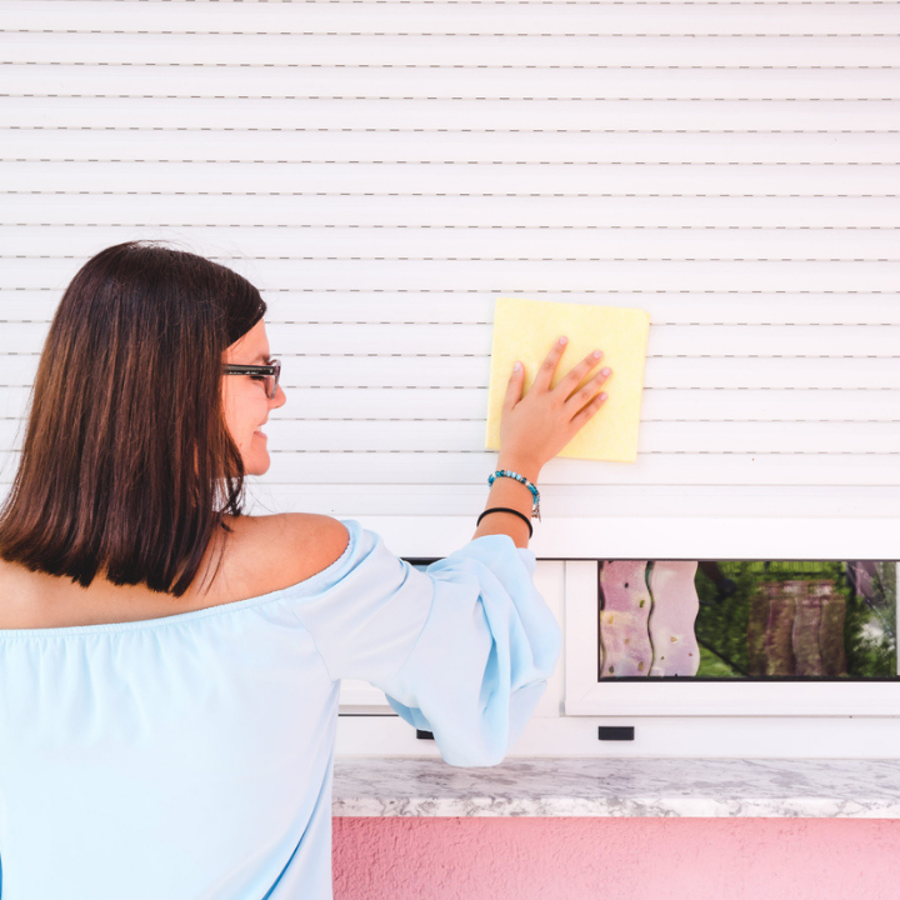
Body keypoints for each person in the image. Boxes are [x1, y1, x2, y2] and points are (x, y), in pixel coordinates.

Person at [0, 242, 611, 899]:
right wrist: (517, 474)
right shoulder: (302, 569)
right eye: (262, 372)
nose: (280, 395)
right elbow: (479, 667)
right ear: (178, 384)